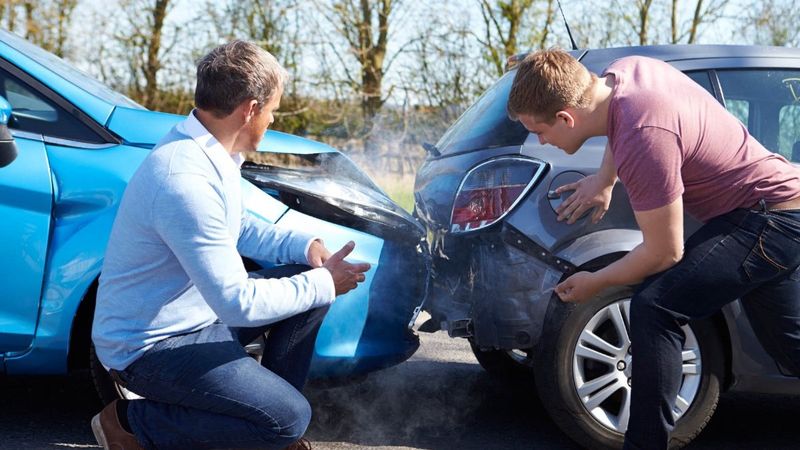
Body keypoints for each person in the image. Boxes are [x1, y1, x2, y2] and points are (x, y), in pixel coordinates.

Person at [507, 49, 800, 449]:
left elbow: (664, 253)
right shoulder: (625, 73)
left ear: (565, 118)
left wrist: (595, 282)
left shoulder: (644, 135)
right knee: (791, 348)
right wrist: (605, 179)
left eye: (538, 131)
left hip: (768, 220)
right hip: (777, 209)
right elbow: (619, 121)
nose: (541, 140)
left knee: (656, 307)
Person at [90, 40, 370, 450]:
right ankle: (130, 423)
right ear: (251, 109)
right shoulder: (183, 179)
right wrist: (327, 283)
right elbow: (237, 303)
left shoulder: (206, 151)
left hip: (194, 320)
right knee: (290, 418)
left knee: (307, 286)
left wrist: (304, 245)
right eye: (273, 110)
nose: (272, 120)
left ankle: (266, 418)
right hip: (150, 348)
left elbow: (235, 227)